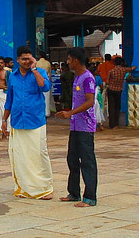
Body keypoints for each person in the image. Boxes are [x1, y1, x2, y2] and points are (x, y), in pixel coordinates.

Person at [1, 46, 54, 200]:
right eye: (23, 59)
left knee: (39, 154)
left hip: (35, 120)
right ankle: (24, 188)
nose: (26, 62)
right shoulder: (13, 76)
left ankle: (45, 188)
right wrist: (4, 120)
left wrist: (35, 69)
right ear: (17, 60)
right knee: (20, 156)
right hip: (17, 121)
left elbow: (45, 87)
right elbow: (9, 100)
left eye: (29, 59)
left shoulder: (39, 72)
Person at [55, 47, 98, 207]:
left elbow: (89, 101)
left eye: (68, 59)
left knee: (87, 160)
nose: (67, 62)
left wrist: (71, 112)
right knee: (72, 159)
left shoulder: (87, 78)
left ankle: (90, 197)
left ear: (76, 60)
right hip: (75, 126)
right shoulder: (77, 78)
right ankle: (74, 192)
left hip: (85, 127)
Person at [105, 57, 135, 129]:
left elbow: (107, 82)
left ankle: (112, 125)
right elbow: (132, 68)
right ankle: (116, 123)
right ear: (121, 63)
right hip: (119, 90)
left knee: (111, 107)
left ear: (114, 63)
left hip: (111, 90)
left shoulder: (111, 71)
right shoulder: (123, 70)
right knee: (117, 107)